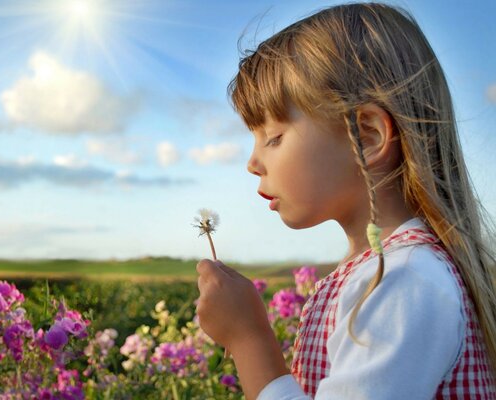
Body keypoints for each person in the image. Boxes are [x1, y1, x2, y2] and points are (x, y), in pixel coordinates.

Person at [195, 2, 496, 399]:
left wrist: (249, 340)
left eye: (274, 137)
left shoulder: (404, 280)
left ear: (367, 136)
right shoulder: (384, 272)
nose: (253, 163)